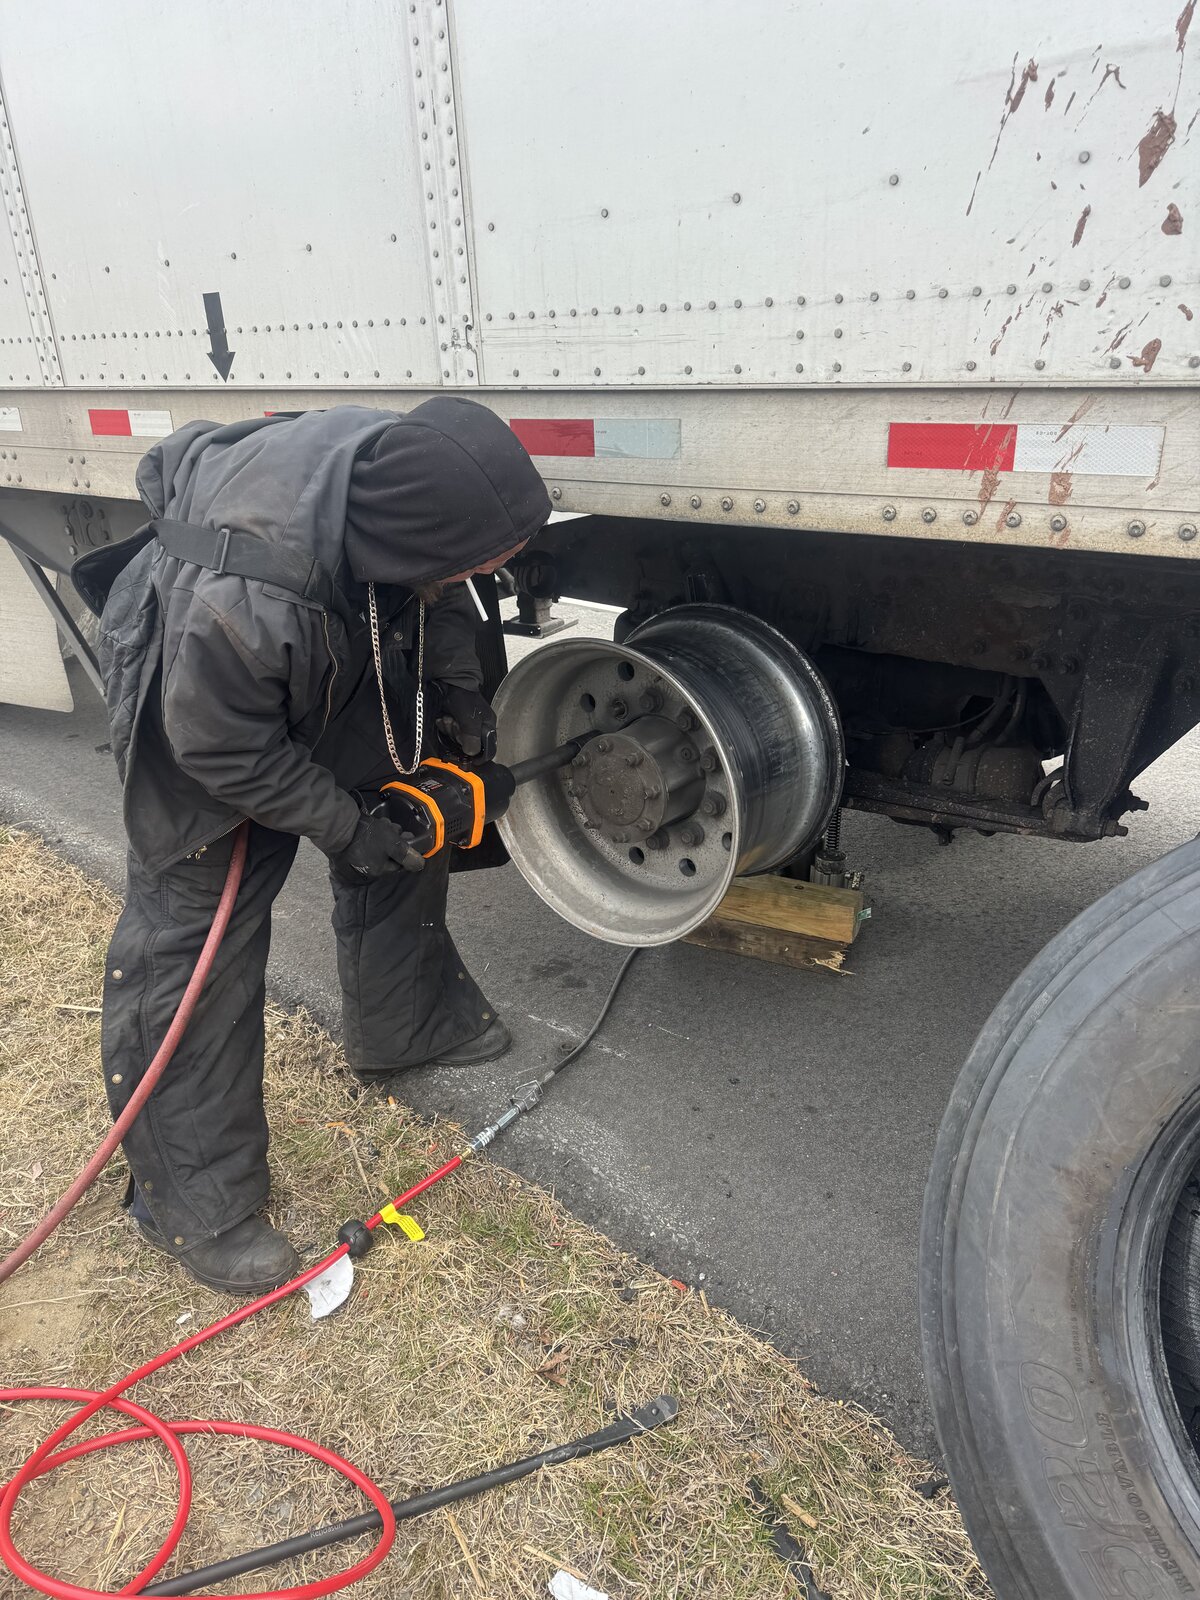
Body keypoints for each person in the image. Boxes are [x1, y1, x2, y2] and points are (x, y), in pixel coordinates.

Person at [79, 399, 551, 1294]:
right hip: (201, 691)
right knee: (197, 931)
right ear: (410, 541)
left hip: (320, 639)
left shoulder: (405, 487)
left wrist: (456, 694)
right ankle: (191, 1205)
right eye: (483, 560)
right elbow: (219, 746)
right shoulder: (247, 600)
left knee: (415, 805)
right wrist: (341, 825)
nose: (491, 572)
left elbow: (442, 591)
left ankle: (405, 1025)